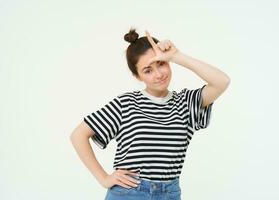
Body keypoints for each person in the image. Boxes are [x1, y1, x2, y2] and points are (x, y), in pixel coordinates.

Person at [70, 28, 230, 200]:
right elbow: (78, 135)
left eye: (161, 64)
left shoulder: (186, 103)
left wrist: (176, 56)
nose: (159, 74)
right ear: (138, 76)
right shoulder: (126, 104)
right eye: (148, 70)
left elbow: (221, 81)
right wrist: (103, 178)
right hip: (129, 193)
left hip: (169, 193)